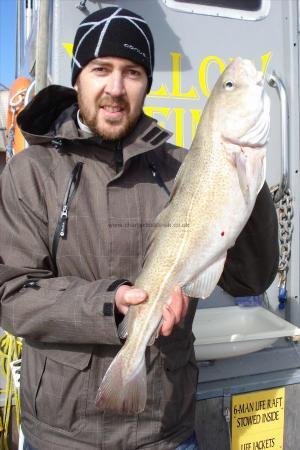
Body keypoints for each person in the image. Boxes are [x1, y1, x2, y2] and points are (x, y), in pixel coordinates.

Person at [0, 6, 278, 450]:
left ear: (147, 83)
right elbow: (13, 297)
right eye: (100, 69)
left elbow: (250, 278)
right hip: (59, 434)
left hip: (163, 430)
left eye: (132, 72)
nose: (115, 88)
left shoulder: (181, 168)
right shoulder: (29, 173)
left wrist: (249, 183)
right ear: (78, 79)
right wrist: (112, 303)